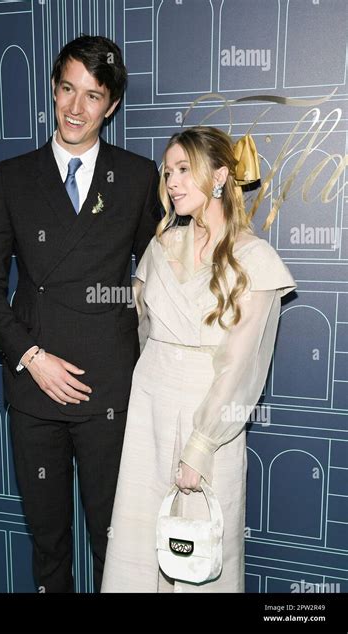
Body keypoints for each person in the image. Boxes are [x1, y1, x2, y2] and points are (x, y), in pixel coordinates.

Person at [0, 35, 160, 593]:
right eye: (67, 90)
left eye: (93, 96)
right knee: (49, 543)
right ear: (54, 90)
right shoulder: (13, 176)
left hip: (109, 388)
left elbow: (160, 279)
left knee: (115, 543)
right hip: (35, 391)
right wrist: (31, 358)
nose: (76, 108)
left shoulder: (139, 176)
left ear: (112, 105)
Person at [101, 126, 296, 592]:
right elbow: (139, 329)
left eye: (185, 170)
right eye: (168, 172)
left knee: (200, 556)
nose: (172, 182)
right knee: (138, 545)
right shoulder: (160, 247)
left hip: (208, 416)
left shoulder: (255, 259)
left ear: (222, 175)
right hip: (149, 409)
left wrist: (202, 444)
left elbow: (242, 366)